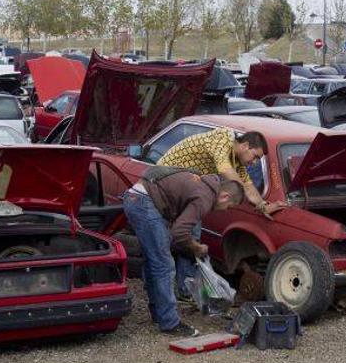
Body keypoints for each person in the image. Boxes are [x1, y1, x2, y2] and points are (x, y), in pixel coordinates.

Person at [156, 128, 286, 298]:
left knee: (189, 237)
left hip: (186, 193)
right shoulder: (222, 137)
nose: (254, 163)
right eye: (255, 157)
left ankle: (184, 290)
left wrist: (263, 206)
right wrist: (243, 192)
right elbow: (225, 170)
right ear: (245, 146)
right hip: (164, 184)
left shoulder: (237, 161)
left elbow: (247, 186)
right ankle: (162, 290)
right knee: (163, 241)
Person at [122, 166, 245, 337]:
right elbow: (179, 233)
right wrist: (196, 247)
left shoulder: (203, 184)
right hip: (143, 202)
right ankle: (170, 323)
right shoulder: (205, 197)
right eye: (229, 206)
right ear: (225, 196)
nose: (226, 209)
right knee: (164, 264)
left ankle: (159, 313)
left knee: (154, 261)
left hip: (137, 198)